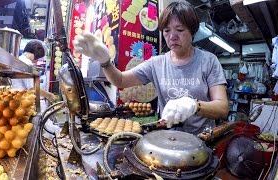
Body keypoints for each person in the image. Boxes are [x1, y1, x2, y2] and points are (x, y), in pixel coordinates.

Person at [73, 1, 229, 135]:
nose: (172, 36)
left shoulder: (208, 61)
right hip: (169, 139)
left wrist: (195, 105)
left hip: (204, 139)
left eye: (180, 30)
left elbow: (222, 107)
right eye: (167, 31)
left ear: (192, 31)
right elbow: (120, 80)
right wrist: (105, 62)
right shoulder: (157, 63)